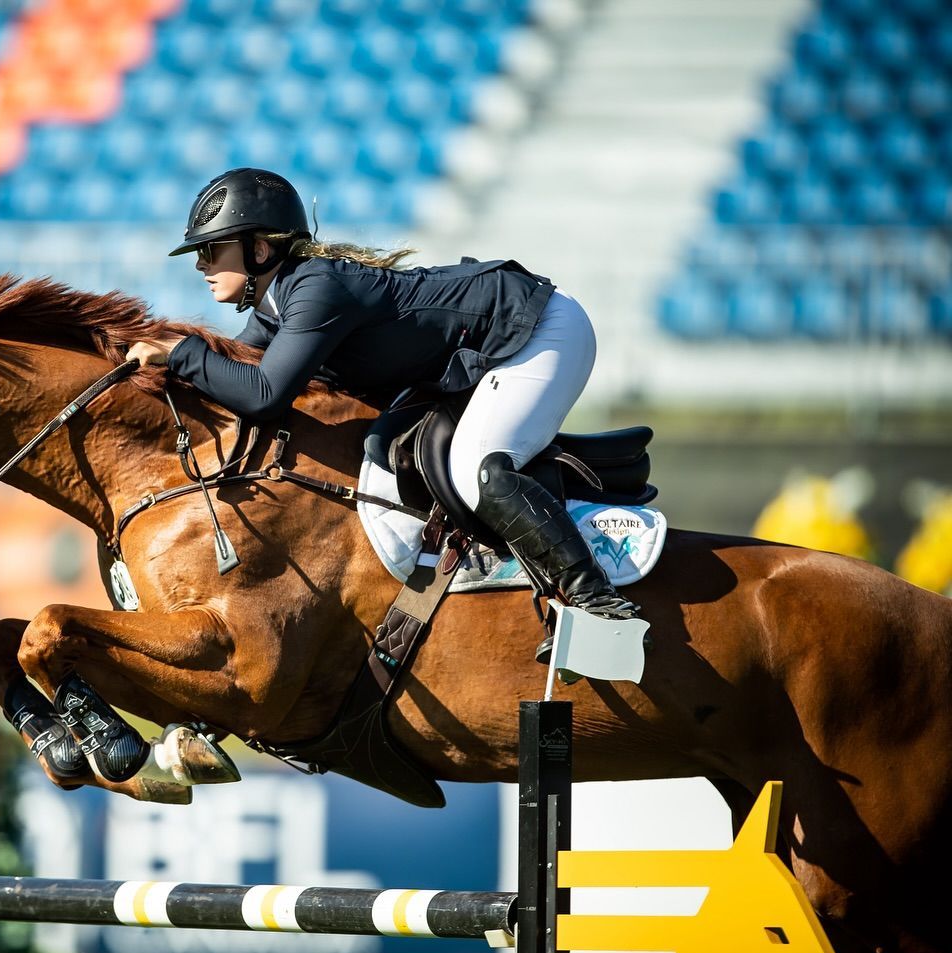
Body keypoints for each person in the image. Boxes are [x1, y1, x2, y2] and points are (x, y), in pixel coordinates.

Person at [128, 168, 646, 659]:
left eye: (212, 250)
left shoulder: (316, 287)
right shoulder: (277, 308)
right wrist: (162, 373)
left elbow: (264, 395)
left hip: (537, 330)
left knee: (478, 467)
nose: (201, 265)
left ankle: (597, 606)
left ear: (260, 249)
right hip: (483, 351)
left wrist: (179, 352)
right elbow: (235, 381)